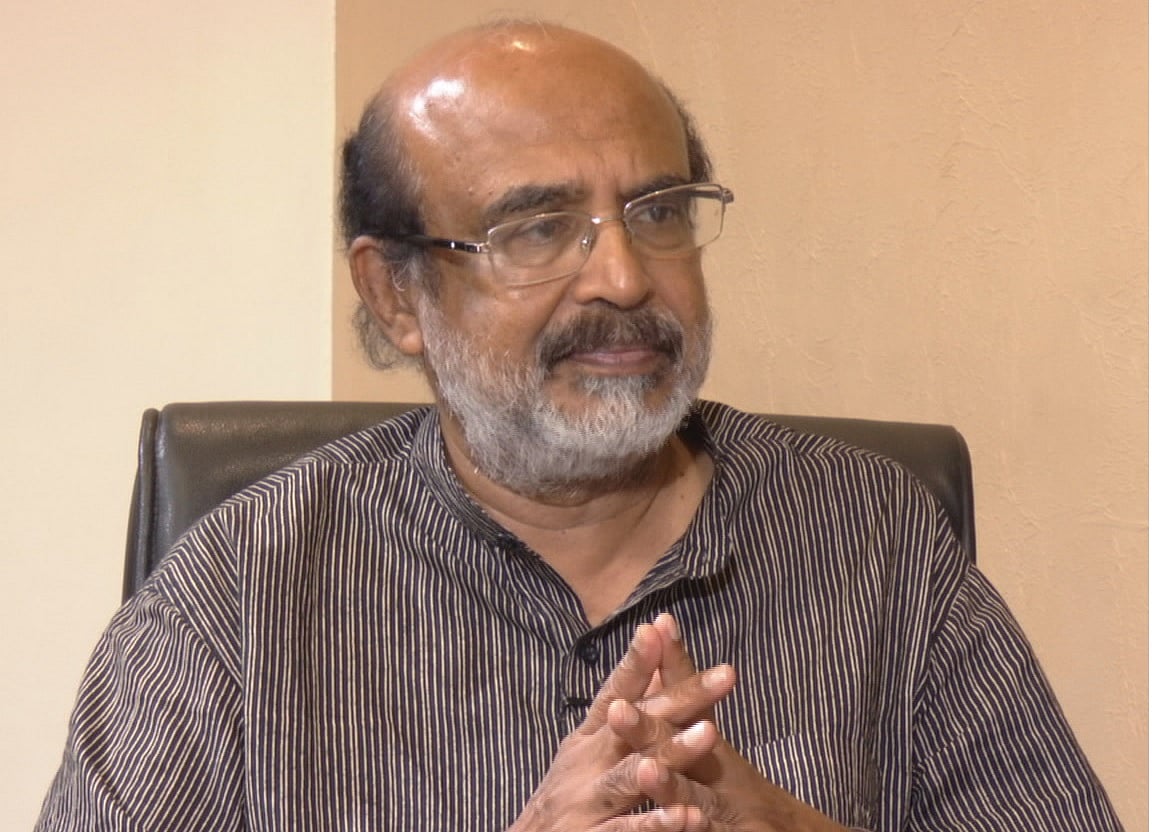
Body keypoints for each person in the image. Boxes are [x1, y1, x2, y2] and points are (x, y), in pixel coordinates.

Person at [38, 20, 1121, 832]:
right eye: (538, 227)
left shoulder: (877, 539)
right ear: (395, 294)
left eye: (658, 213)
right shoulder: (236, 597)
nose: (623, 276)